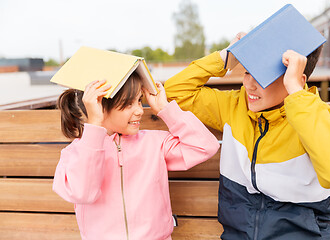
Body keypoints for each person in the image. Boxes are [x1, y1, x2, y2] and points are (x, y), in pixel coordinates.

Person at [164, 33, 330, 240]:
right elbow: (175, 91)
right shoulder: (234, 106)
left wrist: (297, 94)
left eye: (263, 77)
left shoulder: (311, 114)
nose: (249, 85)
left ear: (295, 80)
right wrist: (225, 57)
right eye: (247, 72)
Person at [52, 72, 220, 240]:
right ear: (100, 106)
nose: (140, 110)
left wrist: (165, 109)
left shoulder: (155, 143)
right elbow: (83, 193)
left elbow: (205, 146)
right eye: (128, 104)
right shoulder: (76, 153)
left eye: (139, 100)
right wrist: (94, 125)